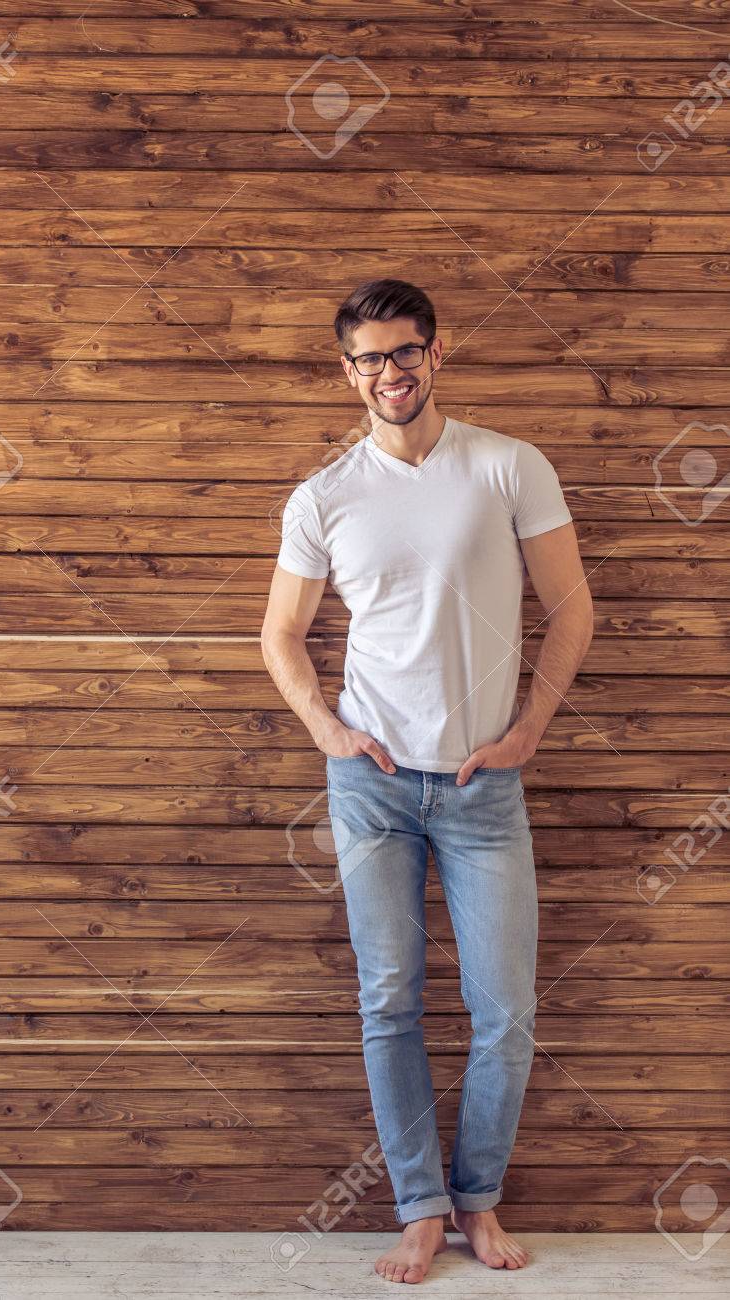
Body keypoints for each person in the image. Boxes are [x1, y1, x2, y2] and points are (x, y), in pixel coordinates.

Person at [261, 278, 594, 1284]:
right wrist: (328, 727)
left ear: (435, 354)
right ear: (348, 371)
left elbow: (572, 608)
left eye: (406, 353)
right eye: (369, 359)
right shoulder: (324, 495)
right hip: (370, 784)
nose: (390, 373)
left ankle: (479, 1200)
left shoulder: (507, 466)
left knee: (506, 1009)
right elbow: (279, 634)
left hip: (481, 783)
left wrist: (529, 728)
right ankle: (419, 1206)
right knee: (389, 997)